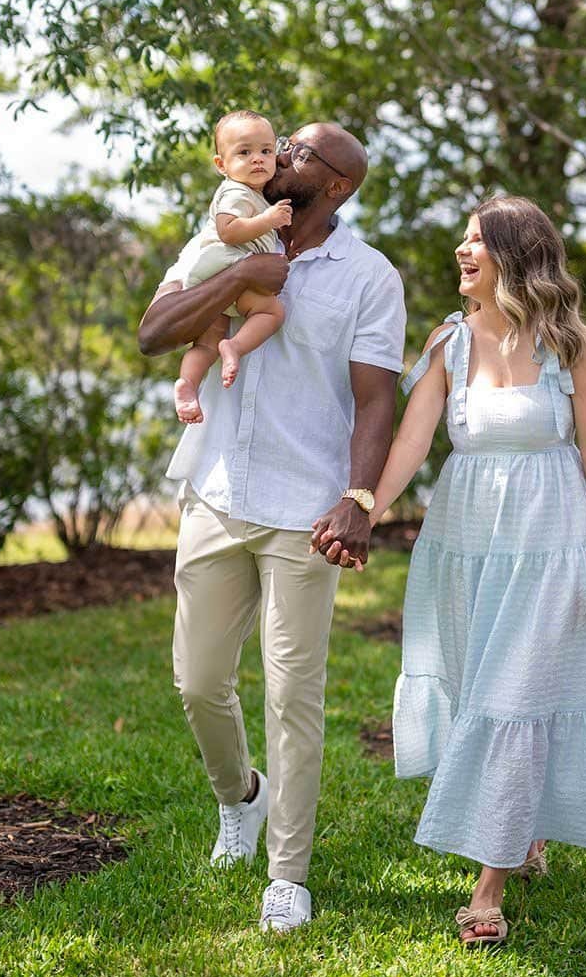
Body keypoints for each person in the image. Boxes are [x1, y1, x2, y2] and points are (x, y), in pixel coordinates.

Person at [320, 194, 586, 947]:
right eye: (462, 241)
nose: (463, 253)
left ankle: (488, 884)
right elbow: (411, 445)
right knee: (473, 691)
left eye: (477, 243)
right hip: (465, 540)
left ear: (514, 257)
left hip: (553, 541)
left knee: (513, 694)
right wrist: (362, 506)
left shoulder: (569, 347)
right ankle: (520, 831)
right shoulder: (449, 343)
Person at [138, 123, 406, 933]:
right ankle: (241, 799)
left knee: (293, 696)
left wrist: (358, 498)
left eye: (296, 153)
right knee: (197, 679)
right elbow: (154, 333)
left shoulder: (369, 277)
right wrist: (244, 275)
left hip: (304, 512)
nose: (278, 156)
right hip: (216, 491)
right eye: (277, 146)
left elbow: (375, 400)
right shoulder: (220, 233)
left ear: (335, 187)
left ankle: (287, 875)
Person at [173, 110, 293, 424]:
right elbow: (229, 230)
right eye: (244, 152)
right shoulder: (235, 191)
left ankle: (187, 383)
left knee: (206, 341)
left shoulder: (251, 193)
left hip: (214, 276)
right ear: (221, 165)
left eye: (266, 151)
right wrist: (268, 220)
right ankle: (236, 347)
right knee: (272, 312)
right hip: (226, 266)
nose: (258, 159)